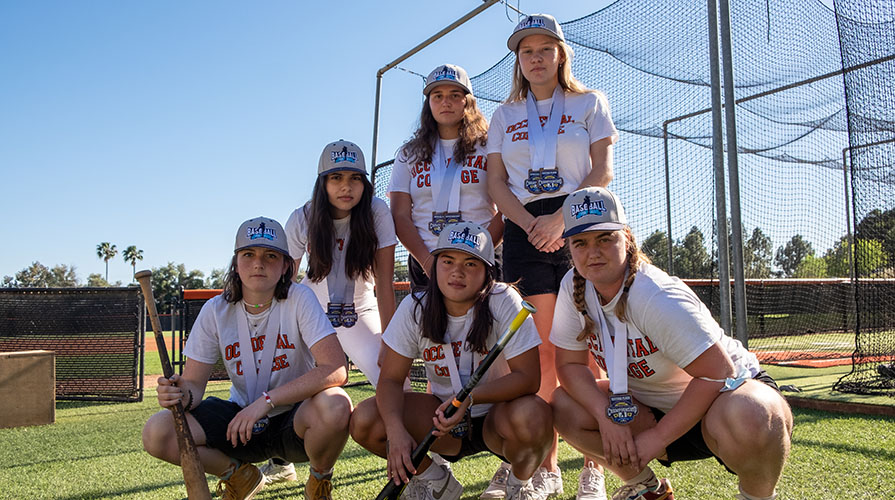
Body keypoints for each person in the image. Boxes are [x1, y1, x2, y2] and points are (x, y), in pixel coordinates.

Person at [550, 187, 794, 500]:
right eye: (580, 243)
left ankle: (757, 497)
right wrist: (606, 417)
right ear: (569, 247)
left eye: (605, 239)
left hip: (722, 397)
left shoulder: (655, 296)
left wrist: (656, 438)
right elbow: (569, 365)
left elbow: (717, 372)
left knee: (754, 412)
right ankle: (646, 488)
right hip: (651, 406)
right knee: (564, 404)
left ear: (627, 237)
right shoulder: (574, 286)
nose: (592, 252)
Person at [486, 13, 619, 499]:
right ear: (518, 61)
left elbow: (602, 169)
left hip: (583, 223)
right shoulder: (504, 115)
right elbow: (496, 184)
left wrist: (562, 221)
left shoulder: (589, 102)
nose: (536, 58)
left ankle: (596, 464)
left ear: (561, 53)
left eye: (545, 49)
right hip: (525, 231)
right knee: (540, 352)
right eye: (526, 51)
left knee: (591, 348)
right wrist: (531, 225)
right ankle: (547, 465)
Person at [142, 217, 352, 500]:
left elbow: (336, 369)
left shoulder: (299, 298)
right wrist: (179, 394)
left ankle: (318, 480)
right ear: (236, 262)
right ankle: (239, 476)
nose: (258, 263)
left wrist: (266, 402)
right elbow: (193, 386)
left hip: (295, 422)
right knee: (158, 432)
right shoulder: (215, 310)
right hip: (239, 425)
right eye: (249, 254)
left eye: (270, 256)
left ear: (286, 265)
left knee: (337, 404)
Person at [349, 222, 554, 500]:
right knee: (366, 420)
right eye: (448, 261)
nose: (457, 271)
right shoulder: (415, 306)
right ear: (434, 266)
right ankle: (436, 482)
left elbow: (529, 379)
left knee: (535, 414)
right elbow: (391, 379)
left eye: (471, 264)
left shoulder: (504, 299)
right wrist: (396, 431)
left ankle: (518, 485)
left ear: (487, 272)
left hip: (498, 417)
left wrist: (469, 398)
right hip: (441, 421)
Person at [269, 139, 396, 484]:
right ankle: (281, 460)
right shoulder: (304, 217)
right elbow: (287, 281)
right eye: (336, 177)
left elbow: (385, 282)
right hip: (313, 316)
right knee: (284, 379)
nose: (345, 186)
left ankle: (419, 460)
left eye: (354, 178)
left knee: (393, 380)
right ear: (322, 182)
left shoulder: (377, 212)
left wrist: (391, 340)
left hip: (362, 310)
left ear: (365, 184)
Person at [388, 64, 503, 290]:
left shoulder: (490, 146)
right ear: (428, 103)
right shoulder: (408, 154)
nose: (445, 102)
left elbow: (507, 205)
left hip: (481, 258)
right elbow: (400, 215)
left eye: (454, 95)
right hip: (427, 261)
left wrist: (479, 252)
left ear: (468, 101)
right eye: (437, 96)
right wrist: (428, 262)